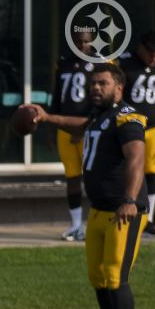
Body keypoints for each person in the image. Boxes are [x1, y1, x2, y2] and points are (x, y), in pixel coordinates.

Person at [29, 63, 149, 309]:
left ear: (118, 87)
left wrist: (129, 200)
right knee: (98, 278)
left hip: (124, 211)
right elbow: (79, 124)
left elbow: (136, 157)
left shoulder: (127, 117)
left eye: (103, 83)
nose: (96, 88)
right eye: (93, 83)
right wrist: (47, 117)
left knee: (114, 276)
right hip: (98, 209)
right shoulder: (100, 116)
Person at [49, 31, 98, 241]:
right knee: (72, 177)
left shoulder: (100, 63)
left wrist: (84, 127)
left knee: (94, 177)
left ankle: (95, 224)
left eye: (86, 42)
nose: (81, 46)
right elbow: (57, 97)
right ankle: (76, 224)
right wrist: (51, 125)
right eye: (78, 42)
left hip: (88, 129)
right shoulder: (64, 63)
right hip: (64, 128)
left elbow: (100, 100)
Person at [118, 30, 155, 238]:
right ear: (141, 47)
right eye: (152, 53)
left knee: (151, 173)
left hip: (153, 128)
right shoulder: (125, 63)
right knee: (127, 170)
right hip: (129, 127)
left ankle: (148, 220)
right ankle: (125, 212)